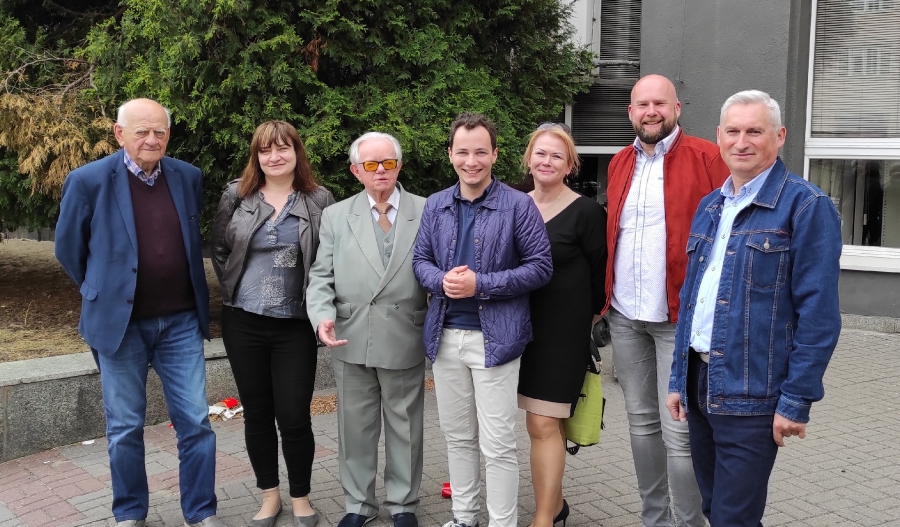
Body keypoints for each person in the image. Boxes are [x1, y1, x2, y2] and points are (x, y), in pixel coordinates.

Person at [665, 90, 842, 526]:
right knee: (715, 509)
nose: (741, 142)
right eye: (733, 131)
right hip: (700, 382)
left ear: (779, 136)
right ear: (719, 137)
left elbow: (819, 316)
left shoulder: (806, 206)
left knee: (733, 518)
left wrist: (796, 400)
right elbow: (693, 299)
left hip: (753, 391)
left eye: (754, 131)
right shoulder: (711, 205)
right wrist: (678, 379)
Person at [55, 98, 223, 527]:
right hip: (120, 326)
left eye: (159, 132)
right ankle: (130, 512)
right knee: (126, 426)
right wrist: (99, 291)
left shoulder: (187, 176)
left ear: (168, 135)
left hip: (181, 322)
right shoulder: (88, 181)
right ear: (119, 134)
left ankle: (201, 512)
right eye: (141, 131)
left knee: (196, 422)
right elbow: (68, 248)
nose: (151, 139)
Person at [412, 112, 553, 527]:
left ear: (494, 154)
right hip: (444, 337)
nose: (470, 161)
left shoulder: (518, 204)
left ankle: (501, 522)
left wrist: (481, 284)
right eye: (462, 152)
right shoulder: (436, 204)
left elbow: (540, 267)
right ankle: (464, 517)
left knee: (498, 444)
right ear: (450, 154)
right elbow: (420, 261)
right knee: (458, 438)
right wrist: (441, 280)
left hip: (496, 340)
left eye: (479, 152)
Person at [604, 74, 729, 527]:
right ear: (631, 113)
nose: (651, 111)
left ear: (677, 108)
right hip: (625, 317)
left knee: (680, 434)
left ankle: (689, 523)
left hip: (679, 319)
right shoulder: (620, 162)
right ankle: (654, 520)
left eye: (660, 103)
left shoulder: (708, 157)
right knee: (641, 425)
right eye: (642, 104)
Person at [210, 121, 335, 527]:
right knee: (258, 414)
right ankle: (269, 496)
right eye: (265, 150)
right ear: (256, 156)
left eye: (283, 148)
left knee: (295, 416)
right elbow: (220, 249)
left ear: (297, 152)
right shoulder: (237, 195)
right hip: (243, 321)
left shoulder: (319, 199)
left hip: (295, 323)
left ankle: (301, 497)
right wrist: (237, 290)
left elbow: (328, 258)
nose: (274, 156)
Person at [306, 132, 427, 527]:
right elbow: (321, 277)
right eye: (371, 165)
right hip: (350, 334)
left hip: (404, 334)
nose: (381, 171)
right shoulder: (336, 216)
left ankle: (403, 504)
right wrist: (321, 316)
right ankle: (358, 504)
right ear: (355, 171)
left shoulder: (427, 210)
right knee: (354, 429)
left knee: (405, 427)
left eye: (388, 163)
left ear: (399, 166)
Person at [516, 123, 607, 527]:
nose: (547, 161)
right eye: (540, 153)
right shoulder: (513, 205)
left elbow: (600, 277)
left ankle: (543, 519)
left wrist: (584, 324)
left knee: (543, 421)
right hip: (515, 331)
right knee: (533, 425)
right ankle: (556, 505)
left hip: (561, 335)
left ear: (570, 165)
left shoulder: (586, 212)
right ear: (528, 159)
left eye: (557, 155)